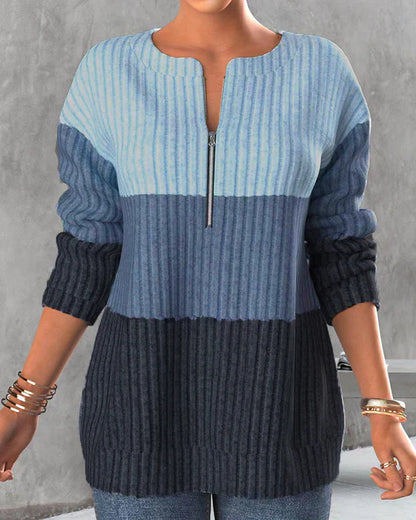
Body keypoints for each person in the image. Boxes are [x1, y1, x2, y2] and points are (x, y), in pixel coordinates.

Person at [1, 1, 416, 519]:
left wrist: (382, 409)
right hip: (139, 411)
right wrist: (23, 403)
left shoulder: (322, 71)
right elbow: (87, 252)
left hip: (281, 410)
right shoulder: (107, 72)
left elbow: (342, 251)